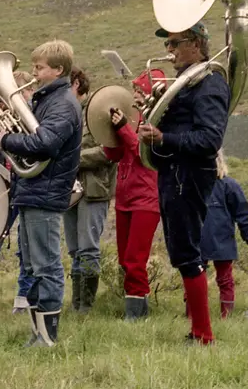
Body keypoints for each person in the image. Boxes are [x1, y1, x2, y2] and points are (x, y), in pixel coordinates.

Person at [138, 22, 229, 345]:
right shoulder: (188, 82)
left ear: (196, 43)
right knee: (182, 249)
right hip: (174, 171)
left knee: (187, 251)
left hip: (188, 173)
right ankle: (197, 329)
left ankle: (204, 333)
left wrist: (163, 136)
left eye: (175, 44)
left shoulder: (210, 83)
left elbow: (209, 139)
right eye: (168, 45)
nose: (169, 51)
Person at [0, 40, 81, 347]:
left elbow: (45, 143)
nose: (34, 72)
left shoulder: (62, 104)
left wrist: (7, 140)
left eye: (40, 68)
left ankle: (47, 337)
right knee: (32, 265)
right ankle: (38, 334)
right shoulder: (46, 100)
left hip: (46, 191)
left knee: (46, 265)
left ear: (58, 70)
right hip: (33, 189)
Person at [101, 69, 165, 320]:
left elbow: (143, 154)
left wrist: (124, 130)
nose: (135, 95)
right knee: (125, 259)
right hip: (125, 198)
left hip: (146, 198)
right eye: (135, 90)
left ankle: (136, 315)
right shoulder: (133, 118)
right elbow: (114, 155)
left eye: (140, 91)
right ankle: (136, 308)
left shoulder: (158, 121)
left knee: (135, 260)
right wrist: (110, 132)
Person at [64, 68, 118, 314]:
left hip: (94, 188)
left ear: (76, 84)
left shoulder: (97, 110)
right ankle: (77, 306)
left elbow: (108, 151)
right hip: (68, 189)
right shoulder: (63, 112)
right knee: (75, 249)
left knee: (87, 248)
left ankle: (86, 307)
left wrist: (71, 159)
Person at [0, 70, 36, 314]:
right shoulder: (1, 115)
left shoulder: (30, 117)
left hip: (25, 182)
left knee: (26, 243)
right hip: (5, 184)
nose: (28, 96)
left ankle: (24, 296)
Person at [202, 150, 248, 318]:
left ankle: (193, 316)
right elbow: (243, 214)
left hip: (198, 239)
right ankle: (226, 317)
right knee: (225, 280)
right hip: (222, 239)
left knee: (195, 276)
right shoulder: (230, 185)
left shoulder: (193, 184)